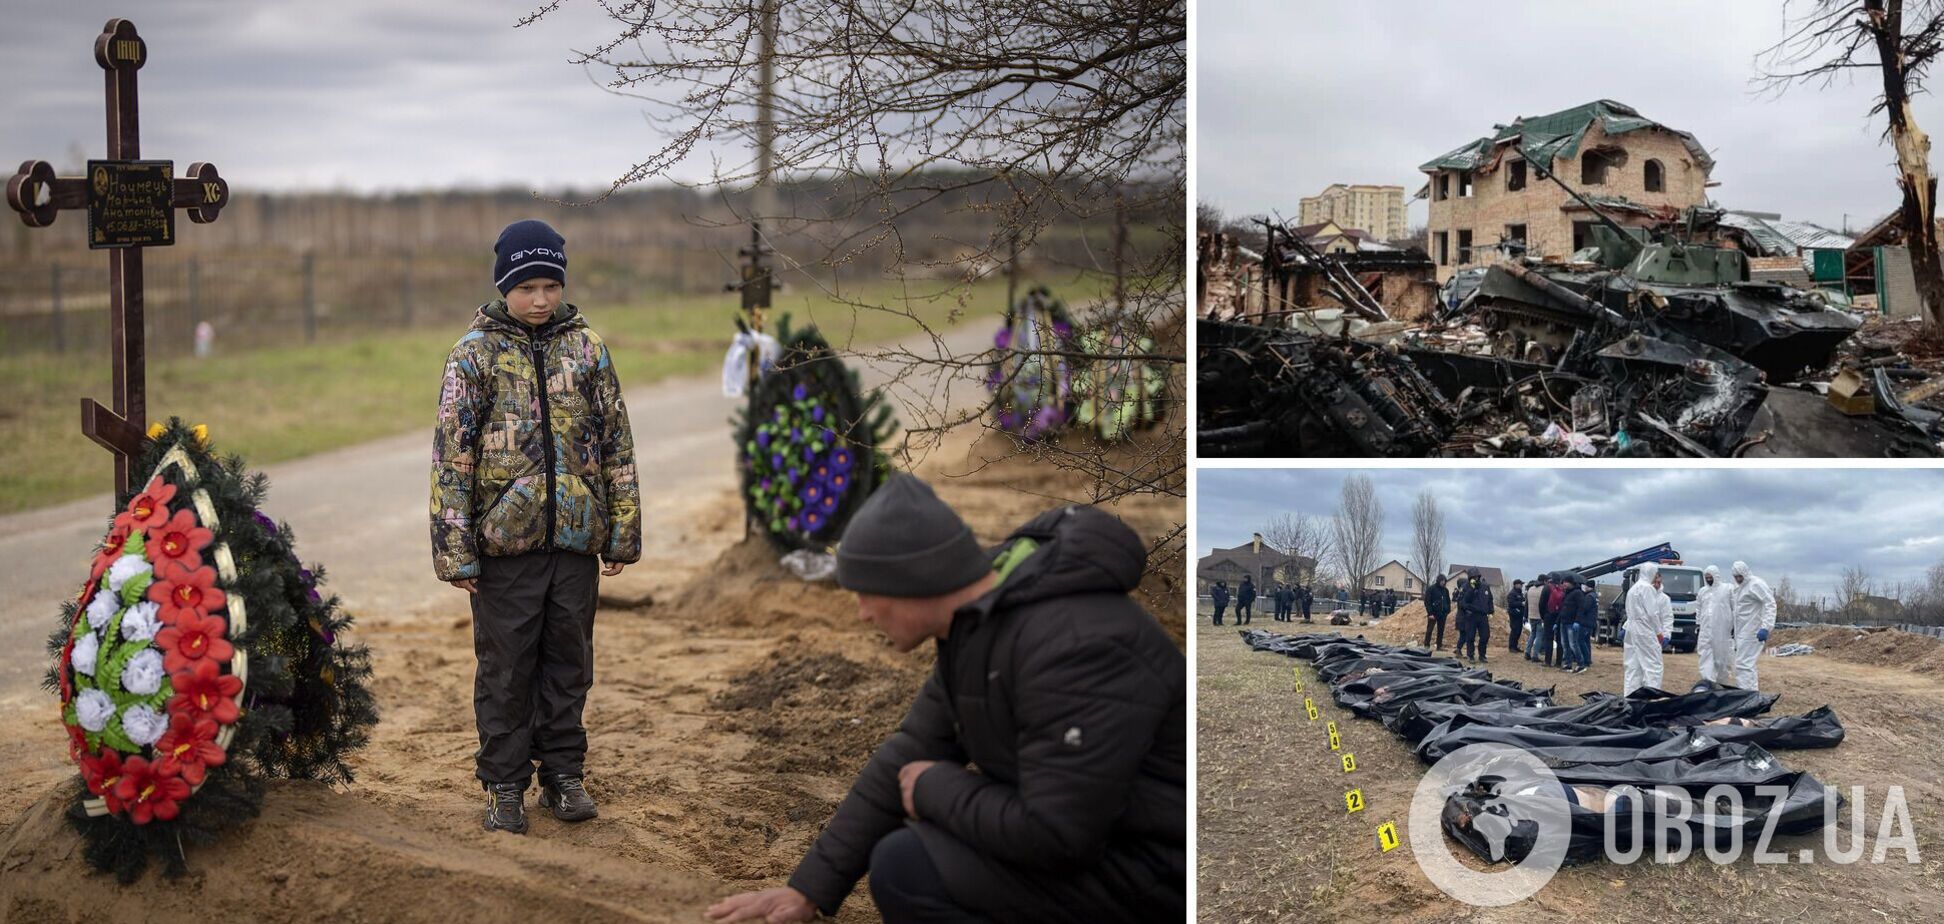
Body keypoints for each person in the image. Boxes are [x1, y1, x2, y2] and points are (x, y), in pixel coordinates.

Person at [703, 475, 1186, 924]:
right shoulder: (980, 625)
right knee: (913, 852)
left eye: (866, 593)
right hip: (1105, 844)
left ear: (913, 581)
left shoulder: (1072, 645)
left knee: (908, 868)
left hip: (1165, 871)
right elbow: (910, 750)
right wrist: (807, 891)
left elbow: (1059, 836)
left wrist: (936, 789)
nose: (863, 614)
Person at [432, 219, 640, 834]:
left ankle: (563, 775)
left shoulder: (590, 351)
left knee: (569, 663)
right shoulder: (474, 355)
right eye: (527, 287)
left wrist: (620, 529)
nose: (541, 299)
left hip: (576, 543)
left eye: (551, 285)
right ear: (504, 287)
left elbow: (616, 445)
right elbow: (452, 459)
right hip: (505, 550)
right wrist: (457, 550)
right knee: (506, 667)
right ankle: (503, 785)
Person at [1622, 563, 1674, 695]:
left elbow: (1630, 611)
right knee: (1653, 667)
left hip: (1632, 630)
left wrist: (1626, 627)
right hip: (1645, 630)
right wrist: (1659, 633)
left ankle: (1630, 698)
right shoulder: (1647, 589)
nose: (1656, 581)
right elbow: (1652, 614)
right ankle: (1652, 697)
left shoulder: (1633, 589)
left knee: (1633, 666)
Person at [1729, 561, 1778, 690]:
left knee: (1743, 664)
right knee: (1744, 664)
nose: (1738, 579)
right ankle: (1749, 695)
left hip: (1753, 631)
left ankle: (1746, 696)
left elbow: (1770, 604)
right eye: (1736, 577)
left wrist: (1766, 627)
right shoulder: (1739, 588)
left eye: (1740, 576)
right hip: (1742, 631)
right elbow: (1739, 612)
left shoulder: (1756, 584)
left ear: (1745, 573)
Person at [1694, 566, 1735, 684]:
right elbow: (1699, 608)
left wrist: (1734, 626)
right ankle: (1708, 682)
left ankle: (1721, 683)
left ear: (1716, 576)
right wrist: (1698, 624)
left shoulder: (1727, 589)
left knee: (1721, 659)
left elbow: (1734, 608)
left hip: (1722, 631)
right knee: (1705, 656)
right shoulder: (1702, 591)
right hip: (1705, 631)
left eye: (1710, 577)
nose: (1708, 579)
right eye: (1706, 578)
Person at [1461, 568, 1493, 662]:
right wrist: (1472, 589)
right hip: (1471, 615)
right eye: (1473, 577)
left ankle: (1482, 655)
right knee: (1470, 636)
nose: (1475, 578)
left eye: (1477, 577)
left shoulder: (1485, 586)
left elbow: (1490, 599)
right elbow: (1463, 602)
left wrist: (1491, 611)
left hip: (1483, 615)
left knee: (1485, 636)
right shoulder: (1466, 587)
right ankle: (1470, 655)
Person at [1558, 576, 1587, 672]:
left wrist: (1577, 621)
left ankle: (1581, 664)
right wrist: (1557, 622)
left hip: (1572, 623)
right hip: (1564, 622)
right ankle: (1568, 663)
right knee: (1564, 644)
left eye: (1566, 582)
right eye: (1563, 582)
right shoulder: (1566, 593)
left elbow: (1581, 608)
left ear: (1571, 583)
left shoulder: (1577, 593)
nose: (1564, 584)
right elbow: (1563, 608)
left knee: (1573, 644)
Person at [1573, 576, 1600, 673]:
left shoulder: (1589, 597)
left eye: (1586, 586)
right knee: (1586, 641)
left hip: (1586, 622)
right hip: (1591, 622)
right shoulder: (1594, 595)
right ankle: (1588, 659)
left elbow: (1585, 608)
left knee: (1581, 641)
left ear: (1589, 587)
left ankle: (1586, 659)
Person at [1423, 574, 1451, 650]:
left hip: (1442, 614)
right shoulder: (1431, 589)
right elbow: (1427, 602)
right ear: (1438, 581)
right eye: (1442, 581)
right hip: (1433, 614)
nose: (1443, 582)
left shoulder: (1445, 590)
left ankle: (1439, 646)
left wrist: (1448, 610)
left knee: (1441, 630)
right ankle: (1426, 645)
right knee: (1430, 629)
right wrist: (1430, 613)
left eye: (1444, 581)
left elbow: (1448, 601)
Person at [1505, 579, 1527, 653]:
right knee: (1514, 630)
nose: (1521, 586)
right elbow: (1511, 603)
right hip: (1514, 615)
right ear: (1516, 585)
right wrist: (1521, 603)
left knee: (1519, 631)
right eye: (1520, 584)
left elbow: (1523, 600)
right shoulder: (1512, 593)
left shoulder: (1520, 593)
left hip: (1520, 615)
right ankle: (1511, 647)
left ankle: (1515, 646)